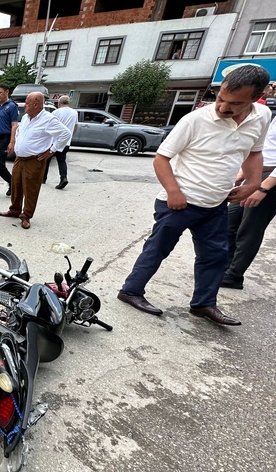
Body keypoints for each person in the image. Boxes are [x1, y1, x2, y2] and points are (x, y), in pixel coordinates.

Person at [116, 65, 271, 327]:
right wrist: (174, 193)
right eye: (221, 98)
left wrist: (253, 182)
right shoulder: (195, 120)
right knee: (158, 249)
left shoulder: (262, 116)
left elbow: (254, 152)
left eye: (234, 103)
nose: (222, 107)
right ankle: (130, 291)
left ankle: (203, 304)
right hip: (179, 203)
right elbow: (161, 158)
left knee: (216, 255)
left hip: (217, 202)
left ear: (256, 98)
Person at [0, 92, 71, 229]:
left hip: (34, 160)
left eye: (27, 102)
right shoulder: (25, 117)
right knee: (16, 185)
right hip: (20, 159)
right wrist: (15, 143)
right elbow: (20, 131)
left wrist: (52, 150)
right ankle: (14, 210)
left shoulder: (48, 119)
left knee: (30, 189)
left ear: (36, 104)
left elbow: (65, 133)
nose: (25, 105)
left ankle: (26, 216)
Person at [221, 118, 276, 289]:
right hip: (257, 173)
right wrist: (244, 174)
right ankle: (224, 267)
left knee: (250, 227)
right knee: (229, 222)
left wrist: (264, 188)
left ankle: (234, 275)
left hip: (271, 181)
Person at [42, 95, 78, 189]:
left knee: (46, 159)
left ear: (59, 103)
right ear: (68, 103)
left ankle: (43, 178)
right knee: (61, 161)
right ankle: (63, 178)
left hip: (53, 141)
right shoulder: (74, 113)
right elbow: (75, 126)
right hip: (66, 142)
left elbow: (50, 126)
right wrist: (69, 137)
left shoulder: (55, 112)